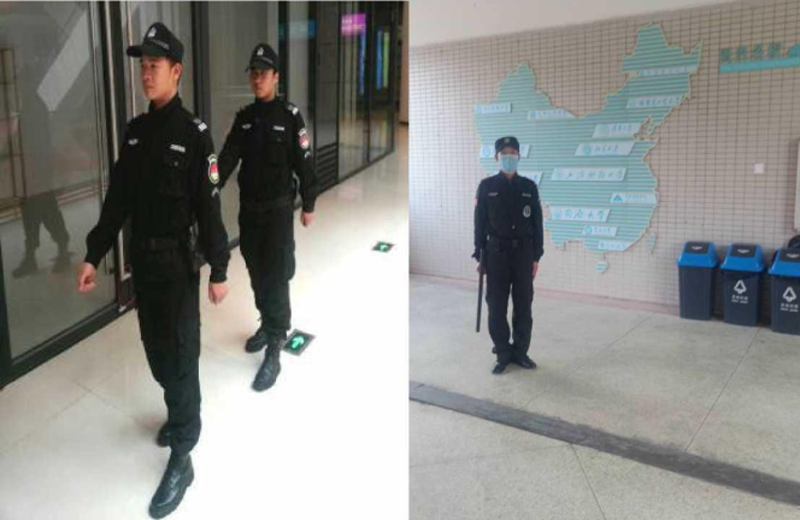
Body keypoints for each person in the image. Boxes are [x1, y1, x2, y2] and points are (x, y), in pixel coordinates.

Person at [76, 23, 230, 519]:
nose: (145, 73)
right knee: (158, 354)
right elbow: (117, 200)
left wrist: (219, 268)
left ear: (176, 71)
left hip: (177, 269)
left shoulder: (195, 135)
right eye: (142, 65)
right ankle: (178, 410)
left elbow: (209, 209)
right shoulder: (135, 133)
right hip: (143, 266)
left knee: (181, 359)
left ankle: (183, 455)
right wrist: (93, 253)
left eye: (154, 65)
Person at [217, 43, 318, 392]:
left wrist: (309, 203)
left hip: (277, 213)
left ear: (276, 77)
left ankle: (275, 344)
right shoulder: (244, 118)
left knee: (276, 276)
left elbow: (304, 162)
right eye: (254, 73)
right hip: (250, 213)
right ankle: (267, 322)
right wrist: (207, 188)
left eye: (264, 73)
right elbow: (226, 159)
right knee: (257, 271)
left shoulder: (290, 117)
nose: (258, 79)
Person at [473, 136, 544, 375]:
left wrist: (536, 256)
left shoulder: (529, 187)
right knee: (496, 306)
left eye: (513, 152)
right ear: (496, 157)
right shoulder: (486, 186)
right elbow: (479, 222)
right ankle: (503, 353)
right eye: (504, 153)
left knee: (524, 304)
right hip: (495, 254)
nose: (509, 157)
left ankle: (520, 352)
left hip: (523, 254)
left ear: (519, 156)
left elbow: (537, 224)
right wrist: (479, 256)